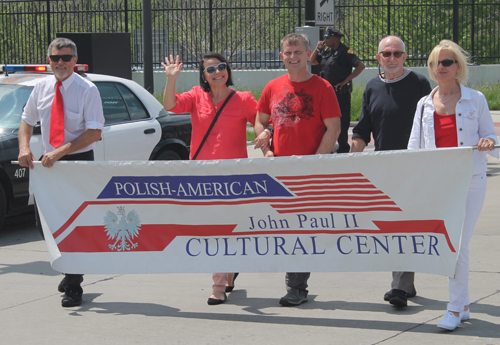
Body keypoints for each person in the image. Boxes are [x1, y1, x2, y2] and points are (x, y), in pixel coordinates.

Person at [408, 40, 498, 331]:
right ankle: (466, 303)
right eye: (435, 63)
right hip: (439, 184)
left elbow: (492, 139)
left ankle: (454, 308)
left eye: (447, 62)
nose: (440, 68)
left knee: (458, 245)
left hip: (471, 181)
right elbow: (414, 149)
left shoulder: (476, 99)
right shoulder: (424, 104)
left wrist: (488, 142)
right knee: (453, 245)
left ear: (458, 67)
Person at [161, 53, 257, 306]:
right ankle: (223, 277)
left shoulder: (242, 99)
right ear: (204, 76)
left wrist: (265, 132)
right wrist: (171, 79)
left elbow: (260, 120)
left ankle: (223, 278)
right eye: (211, 69)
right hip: (202, 176)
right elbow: (170, 105)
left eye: (222, 67)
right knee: (213, 229)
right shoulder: (195, 96)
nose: (218, 72)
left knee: (226, 228)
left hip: (233, 177)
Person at [254, 33, 341, 306]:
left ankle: (297, 287)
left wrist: (316, 161)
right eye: (288, 53)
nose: (293, 57)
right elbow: (260, 121)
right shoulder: (272, 86)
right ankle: (296, 282)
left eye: (298, 52)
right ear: (281, 56)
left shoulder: (323, 87)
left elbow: (334, 127)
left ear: (307, 54)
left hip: (309, 171)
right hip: (278, 169)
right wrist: (266, 148)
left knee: (302, 228)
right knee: (284, 228)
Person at [18, 37, 105, 307]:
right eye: (55, 58)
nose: (60, 63)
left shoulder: (87, 89)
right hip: (47, 164)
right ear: (49, 60)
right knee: (45, 225)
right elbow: (26, 121)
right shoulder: (41, 87)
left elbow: (94, 133)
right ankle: (70, 272)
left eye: (66, 58)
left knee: (73, 224)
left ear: (75, 61)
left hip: (76, 162)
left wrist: (61, 152)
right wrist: (23, 148)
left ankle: (73, 284)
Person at [351, 36, 431, 308]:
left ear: (405, 56)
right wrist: (353, 156)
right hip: (385, 169)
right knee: (393, 227)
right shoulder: (372, 86)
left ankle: (398, 287)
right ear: (378, 58)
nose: (392, 58)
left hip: (415, 168)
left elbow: (432, 121)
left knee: (404, 225)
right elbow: (363, 129)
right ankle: (405, 284)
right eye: (386, 53)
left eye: (397, 53)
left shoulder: (419, 83)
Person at [310, 27, 365, 153]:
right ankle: (327, 146)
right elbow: (312, 61)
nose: (325, 40)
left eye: (328, 38)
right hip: (326, 93)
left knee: (342, 122)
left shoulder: (345, 52)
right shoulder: (327, 51)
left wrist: (346, 80)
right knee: (324, 121)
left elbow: (360, 66)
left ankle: (343, 147)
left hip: (340, 93)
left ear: (335, 39)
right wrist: (318, 49)